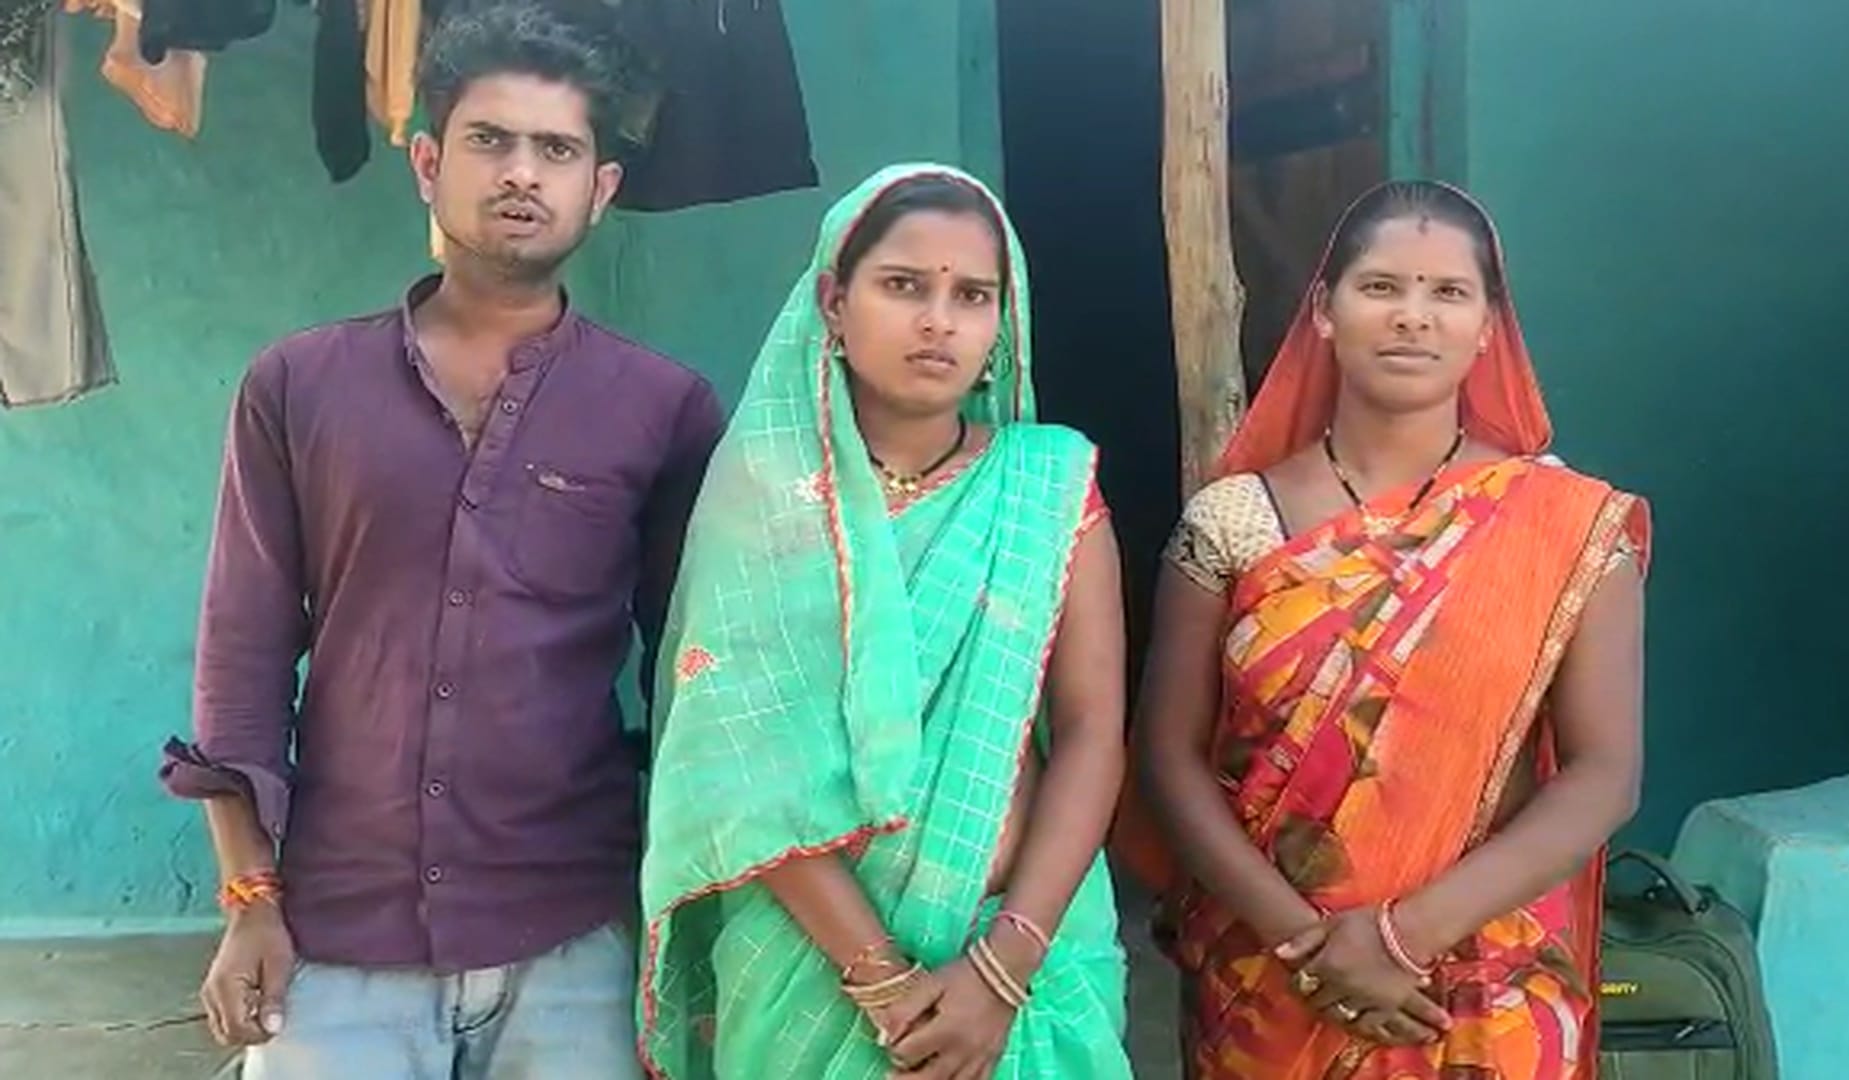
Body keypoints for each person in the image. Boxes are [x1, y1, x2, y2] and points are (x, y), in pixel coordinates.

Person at [157, 5, 723, 1076]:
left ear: (600, 188)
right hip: (339, 933)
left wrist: (679, 920)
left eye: (557, 150)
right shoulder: (300, 387)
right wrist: (249, 897)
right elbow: (242, 655)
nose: (522, 173)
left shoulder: (663, 410)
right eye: (489, 140)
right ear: (427, 163)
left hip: (575, 940)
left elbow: (695, 683)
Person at [1123, 180, 1649, 1078]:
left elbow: (1604, 774)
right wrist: (1308, 944)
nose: (1413, 316)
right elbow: (1169, 759)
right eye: (1381, 287)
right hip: (1271, 980)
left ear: (1488, 328)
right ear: (1324, 311)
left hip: (1482, 984)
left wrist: (1405, 938)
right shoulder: (1235, 521)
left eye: (1448, 292)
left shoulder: (1563, 526)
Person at [638, 164, 1134, 1079]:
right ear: (834, 303)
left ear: (1001, 320)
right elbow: (745, 761)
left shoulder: (1049, 486)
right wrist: (884, 982)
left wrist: (1003, 970)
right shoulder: (768, 508)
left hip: (1025, 960)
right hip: (811, 972)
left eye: (972, 295)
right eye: (904, 285)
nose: (939, 320)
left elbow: (1092, 731)